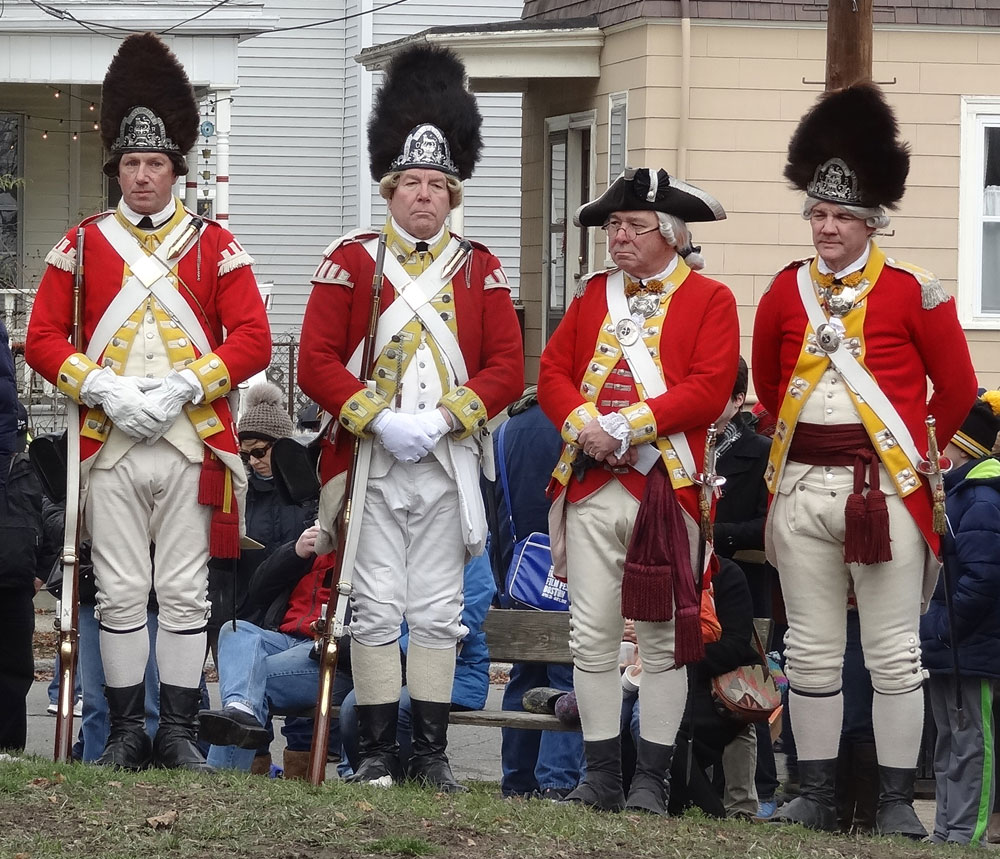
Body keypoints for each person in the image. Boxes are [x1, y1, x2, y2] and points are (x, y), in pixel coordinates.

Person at [24, 33, 271, 771]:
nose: (141, 176)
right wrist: (100, 385)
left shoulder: (214, 244)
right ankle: (130, 730)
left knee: (188, 593)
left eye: (154, 163)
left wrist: (185, 384)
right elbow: (41, 337)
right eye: (130, 164)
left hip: (192, 439)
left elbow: (253, 339)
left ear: (175, 172)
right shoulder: (81, 245)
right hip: (112, 441)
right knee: (126, 589)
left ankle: (178, 731)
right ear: (117, 171)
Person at [751, 82, 978, 836]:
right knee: (810, 652)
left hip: (883, 491)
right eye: (817, 213)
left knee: (893, 654)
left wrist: (921, 454)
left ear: (870, 221)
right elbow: (767, 381)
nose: (825, 226)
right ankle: (811, 792)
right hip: (804, 486)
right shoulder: (785, 291)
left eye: (840, 215)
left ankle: (891, 803)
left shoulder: (917, 292)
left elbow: (960, 387)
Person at [297, 44, 523, 791]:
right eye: (411, 183)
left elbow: (506, 370)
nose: (424, 195)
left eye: (437, 184)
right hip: (373, 459)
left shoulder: (481, 267)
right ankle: (373, 752)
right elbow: (318, 361)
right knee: (372, 604)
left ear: (451, 196)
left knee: (434, 607)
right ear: (390, 190)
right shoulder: (352, 260)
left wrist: (449, 417)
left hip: (446, 460)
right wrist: (375, 417)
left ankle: (428, 753)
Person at [537, 166, 740, 814]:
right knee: (591, 635)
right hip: (593, 484)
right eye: (614, 225)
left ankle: (650, 778)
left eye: (633, 226)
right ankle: (599, 774)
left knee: (658, 643)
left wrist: (629, 424)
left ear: (671, 235)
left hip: (665, 485)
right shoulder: (594, 294)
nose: (618, 236)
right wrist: (586, 425)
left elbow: (709, 389)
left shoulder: (711, 300)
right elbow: (552, 373)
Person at [485, 387, 584, 800]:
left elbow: (491, 510)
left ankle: (518, 779)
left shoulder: (503, 432)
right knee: (569, 675)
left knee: (524, 677)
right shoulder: (577, 428)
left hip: (519, 573)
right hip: (570, 570)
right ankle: (557, 780)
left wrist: (503, 576)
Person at [199, 524, 347, 777]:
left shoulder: (367, 553)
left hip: (329, 651)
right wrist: (294, 552)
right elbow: (258, 591)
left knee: (247, 679)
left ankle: (220, 779)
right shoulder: (316, 544)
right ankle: (240, 710)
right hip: (285, 637)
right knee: (235, 630)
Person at [620, 558, 761, 818]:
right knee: (624, 714)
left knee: (661, 725)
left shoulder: (727, 575)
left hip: (716, 688)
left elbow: (734, 649)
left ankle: (706, 810)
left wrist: (668, 652)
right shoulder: (651, 574)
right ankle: (633, 795)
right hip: (652, 680)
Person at [921, 393, 1000, 845]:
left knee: (973, 743)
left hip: (969, 643)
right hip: (948, 642)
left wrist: (943, 629)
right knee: (949, 741)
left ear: (961, 448)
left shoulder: (981, 499)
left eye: (940, 443)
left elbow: (983, 577)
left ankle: (967, 834)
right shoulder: (953, 495)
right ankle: (945, 829)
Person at [338, 553, 495, 777]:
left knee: (359, 706)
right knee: (356, 698)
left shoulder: (465, 545)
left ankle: (404, 780)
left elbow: (467, 613)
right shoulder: (384, 538)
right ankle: (361, 774)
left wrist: (395, 650)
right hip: (385, 663)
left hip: (455, 673)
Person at [208, 381, 315, 660]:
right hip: (246, 610)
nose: (253, 462)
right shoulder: (239, 493)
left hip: (294, 613)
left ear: (282, 447)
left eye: (260, 451)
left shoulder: (307, 494)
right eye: (245, 454)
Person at [0, 403, 60, 750]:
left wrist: (39, 574)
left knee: (14, 671)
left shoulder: (34, 468)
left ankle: (8, 749)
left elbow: (53, 520)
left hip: (17, 585)